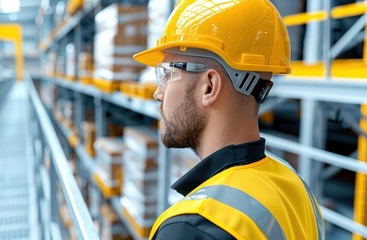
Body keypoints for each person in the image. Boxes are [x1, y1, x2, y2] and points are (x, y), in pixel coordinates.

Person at [133, 0, 325, 239]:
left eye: (167, 74)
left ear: (209, 87)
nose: (157, 93)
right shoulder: (294, 184)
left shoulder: (190, 228)